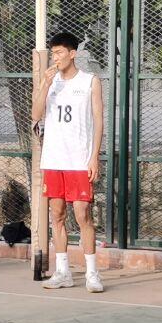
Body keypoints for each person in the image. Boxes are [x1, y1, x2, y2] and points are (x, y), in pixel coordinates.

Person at [33, 30, 106, 293]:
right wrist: (44, 85)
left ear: (72, 54)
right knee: (57, 214)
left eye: (60, 53)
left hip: (78, 159)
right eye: (53, 53)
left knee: (82, 214)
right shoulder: (51, 82)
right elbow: (36, 114)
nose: (56, 57)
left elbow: (98, 121)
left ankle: (92, 273)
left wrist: (94, 156)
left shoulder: (89, 81)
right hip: (54, 158)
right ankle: (63, 271)